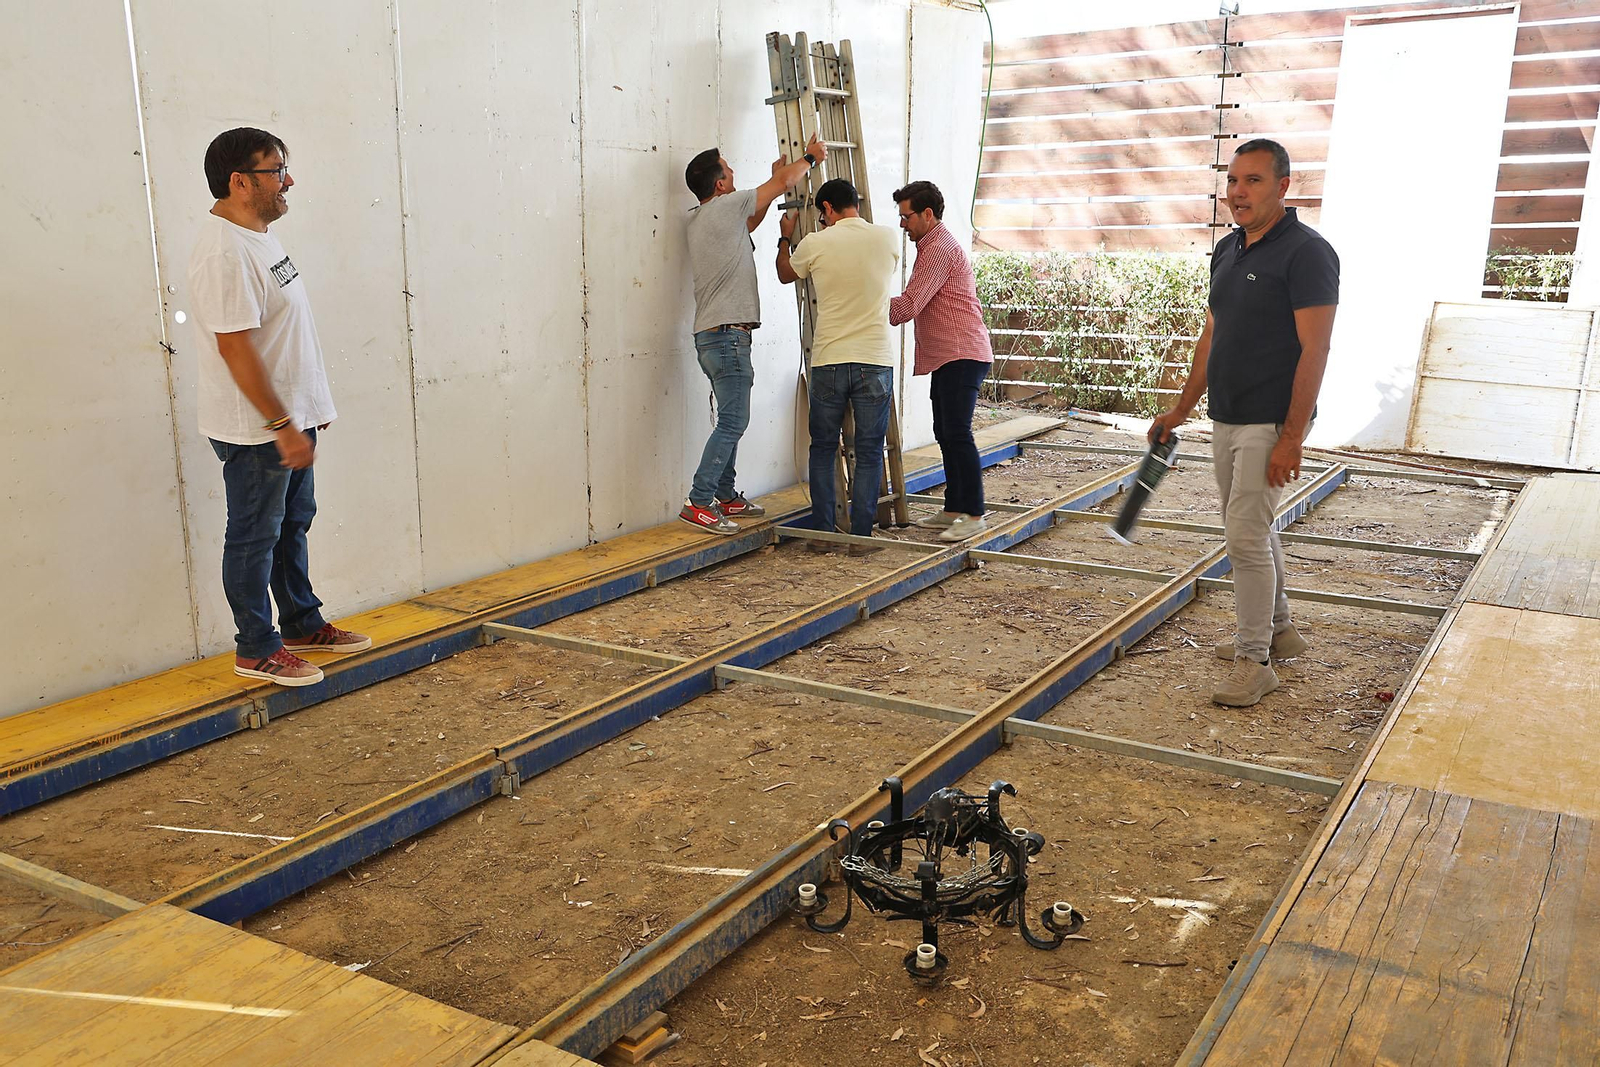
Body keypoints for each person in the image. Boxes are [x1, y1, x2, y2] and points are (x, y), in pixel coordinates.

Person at [1148, 138, 1339, 707]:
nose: (1238, 192)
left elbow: (1316, 349)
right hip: (1227, 414)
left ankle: (1254, 660)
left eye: (1253, 181)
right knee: (1254, 528)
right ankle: (1280, 631)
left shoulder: (1307, 253)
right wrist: (1183, 408)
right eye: (1233, 181)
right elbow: (1214, 333)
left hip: (1268, 419)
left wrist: (1291, 437)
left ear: (1283, 185)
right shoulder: (1228, 252)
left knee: (1244, 536)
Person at [187, 127, 370, 688]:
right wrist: (282, 424)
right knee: (254, 536)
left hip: (291, 420)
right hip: (260, 430)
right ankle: (256, 648)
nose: (287, 180)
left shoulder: (258, 238)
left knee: (293, 524)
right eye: (276, 171)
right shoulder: (224, 252)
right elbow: (235, 347)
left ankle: (299, 624)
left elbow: (280, 330)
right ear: (240, 182)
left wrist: (310, 406)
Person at [679, 133, 827, 535]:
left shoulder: (702, 216)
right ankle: (699, 501)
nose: (734, 174)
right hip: (727, 337)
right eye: (729, 170)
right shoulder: (725, 207)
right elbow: (781, 186)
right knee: (733, 421)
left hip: (714, 337)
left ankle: (725, 495)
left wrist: (775, 202)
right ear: (721, 184)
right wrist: (809, 159)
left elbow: (748, 220)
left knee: (730, 418)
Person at [774, 179, 901, 547]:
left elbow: (785, 274)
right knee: (869, 449)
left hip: (830, 359)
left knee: (824, 446)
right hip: (874, 360)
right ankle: (861, 535)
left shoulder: (815, 242)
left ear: (827, 209)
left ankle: (824, 531)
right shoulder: (887, 238)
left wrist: (785, 238)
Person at [888, 180, 995, 543]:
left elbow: (909, 306)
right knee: (945, 433)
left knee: (958, 434)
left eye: (907, 216)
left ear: (928, 214)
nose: (903, 224)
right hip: (953, 356)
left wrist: (860, 301)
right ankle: (953, 508)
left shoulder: (937, 249)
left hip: (962, 353)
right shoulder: (932, 245)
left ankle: (975, 514)